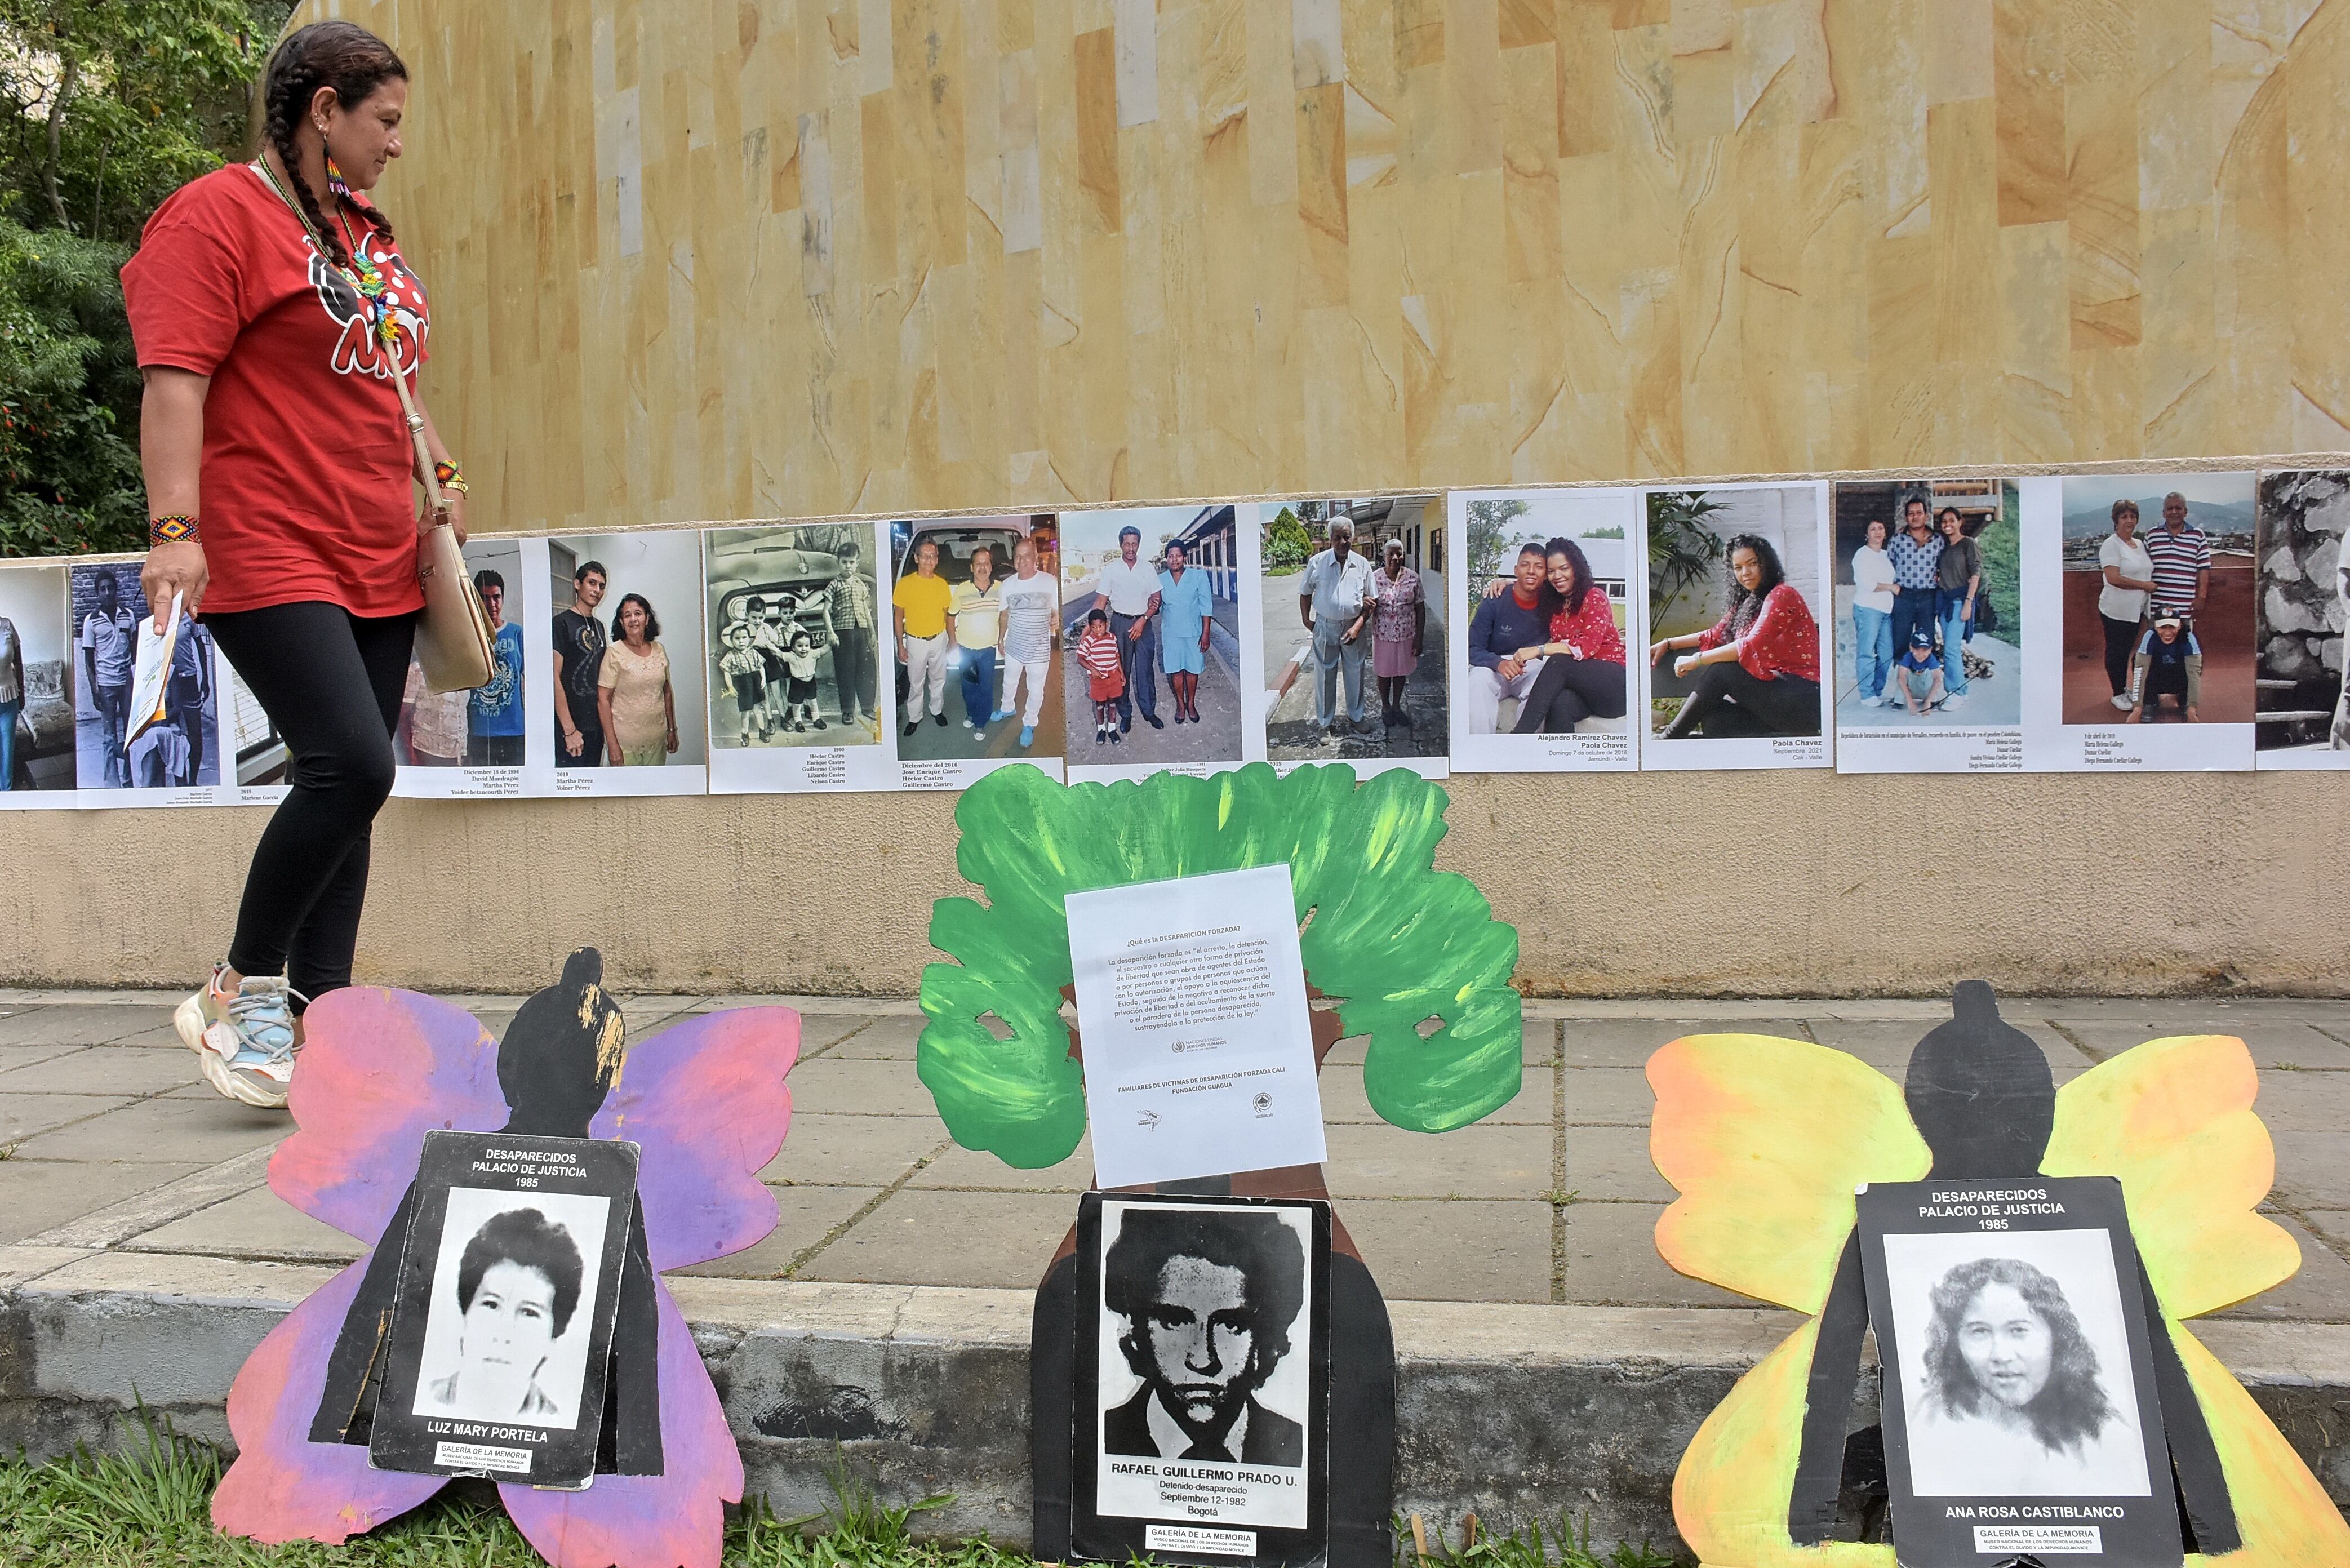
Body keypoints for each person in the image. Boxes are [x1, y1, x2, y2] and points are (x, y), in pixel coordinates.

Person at [130, 22, 464, 1107]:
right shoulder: (216, 215)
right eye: (386, 121)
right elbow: (175, 379)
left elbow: (385, 375)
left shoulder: (364, 231)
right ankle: (239, 986)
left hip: (375, 537)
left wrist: (436, 468)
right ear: (324, 109)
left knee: (357, 787)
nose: (396, 144)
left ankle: (323, 1018)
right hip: (268, 534)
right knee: (350, 767)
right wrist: (175, 534)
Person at [1906, 1256, 2140, 1496]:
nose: (2001, 1355)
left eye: (2018, 1330)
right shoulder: (1928, 1427)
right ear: (1955, 1343)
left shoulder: (2103, 1429)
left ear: (2055, 1337)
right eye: (1980, 1332)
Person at [1101, 1205, 1307, 1466]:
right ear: (1134, 1332)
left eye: (1231, 1325)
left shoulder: (1300, 1448)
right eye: (1175, 1321)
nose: (1202, 1360)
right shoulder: (1098, 1439)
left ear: (1266, 1338)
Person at [423, 1206, 585, 1424]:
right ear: (465, 1315)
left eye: (529, 1312)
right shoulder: (421, 1401)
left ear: (553, 1339)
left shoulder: (560, 1428)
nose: (503, 1333)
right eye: (491, 1305)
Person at [1651, 534, 1822, 739]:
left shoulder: (1782, 594)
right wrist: (1668, 643)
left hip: (1803, 700)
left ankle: (1668, 738)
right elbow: (1713, 635)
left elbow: (1750, 645)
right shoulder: (1747, 604)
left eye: (1753, 564)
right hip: (1773, 702)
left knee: (1725, 670)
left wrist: (1696, 660)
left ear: (1766, 564)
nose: (1745, 573)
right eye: (1738, 568)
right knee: (1715, 719)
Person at [1506, 538, 1626, 734]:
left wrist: (1539, 651)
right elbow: (1525, 588)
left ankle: (1519, 737)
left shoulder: (1595, 597)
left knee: (1559, 661)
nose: (1557, 576)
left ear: (1576, 568)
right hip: (1585, 693)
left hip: (1614, 686)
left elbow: (1587, 646)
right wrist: (1502, 583)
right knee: (1559, 705)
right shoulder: (1556, 606)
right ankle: (1559, 761)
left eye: (1564, 568)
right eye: (1552, 571)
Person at [1463, 545, 1552, 734]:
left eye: (1539, 566)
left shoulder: (1551, 602)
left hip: (1530, 666)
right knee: (1476, 684)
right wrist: (1498, 663)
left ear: (1546, 574)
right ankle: (1481, 752)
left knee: (1545, 687)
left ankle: (1525, 751)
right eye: (1525, 565)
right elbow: (1472, 647)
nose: (1531, 571)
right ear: (1516, 570)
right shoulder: (1495, 600)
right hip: (1493, 666)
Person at [1298, 518, 1374, 736]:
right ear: (1330, 539)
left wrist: (1358, 626)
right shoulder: (1317, 562)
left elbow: (1371, 601)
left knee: (1356, 672)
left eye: (1347, 537)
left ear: (1354, 537)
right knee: (1324, 674)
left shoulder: (1362, 564)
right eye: (1338, 537)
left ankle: (1356, 717)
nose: (1343, 541)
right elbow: (1305, 594)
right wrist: (1307, 621)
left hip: (1354, 627)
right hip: (1325, 626)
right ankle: (1324, 724)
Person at [1091, 525, 1163, 731]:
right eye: (1127, 544)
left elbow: (1156, 599)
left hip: (1144, 624)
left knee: (1145, 670)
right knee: (1120, 671)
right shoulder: (1111, 569)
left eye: (1135, 543)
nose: (1131, 548)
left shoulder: (1147, 568)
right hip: (1120, 624)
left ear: (1139, 544)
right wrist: (1089, 631)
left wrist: (1143, 620)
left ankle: (1149, 712)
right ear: (1121, 545)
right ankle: (1125, 714)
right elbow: (1101, 601)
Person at [596, 592, 677, 764]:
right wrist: (612, 745)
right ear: (621, 622)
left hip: (657, 741)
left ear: (647, 619)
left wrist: (672, 730)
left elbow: (667, 691)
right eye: (627, 615)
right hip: (625, 746)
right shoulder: (614, 652)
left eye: (638, 614)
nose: (633, 619)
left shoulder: (659, 649)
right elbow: (603, 700)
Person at [994, 536, 1057, 748]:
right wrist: (1000, 639)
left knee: (1036, 690)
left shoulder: (1050, 582)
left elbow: (1058, 613)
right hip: (1013, 646)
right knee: (1009, 682)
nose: (1022, 561)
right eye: (1017, 556)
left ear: (1036, 557)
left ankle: (1030, 723)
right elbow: (1004, 615)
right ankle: (1007, 708)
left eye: (1027, 556)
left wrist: (1057, 619)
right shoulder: (1008, 585)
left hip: (1039, 650)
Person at [2096, 500, 2157, 712]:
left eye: (2132, 517)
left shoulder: (2139, 545)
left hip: (2135, 611)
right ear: (2116, 521)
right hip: (2116, 610)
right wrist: (2145, 586)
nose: (2129, 521)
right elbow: (2113, 578)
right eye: (2124, 517)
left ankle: (2123, 687)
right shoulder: (2111, 545)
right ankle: (2117, 693)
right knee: (2117, 652)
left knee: (2128, 649)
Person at [78, 572, 137, 785]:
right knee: (109, 736)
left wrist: (136, 680)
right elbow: (88, 659)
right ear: (97, 593)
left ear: (116, 590)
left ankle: (129, 778)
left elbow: (134, 649)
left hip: (127, 684)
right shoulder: (91, 621)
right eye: (102, 589)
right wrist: (95, 691)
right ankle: (112, 783)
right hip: (105, 685)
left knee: (131, 732)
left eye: (110, 588)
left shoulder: (128, 615)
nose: (107, 593)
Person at [551, 559, 607, 767]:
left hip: (596, 727)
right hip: (572, 729)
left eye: (601, 586)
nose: (597, 590)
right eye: (592, 583)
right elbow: (554, 677)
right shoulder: (561, 623)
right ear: (577, 584)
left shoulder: (600, 627)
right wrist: (569, 730)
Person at [894, 539, 953, 735]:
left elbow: (946, 614)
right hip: (915, 642)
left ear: (937, 560)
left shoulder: (942, 585)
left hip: (938, 639)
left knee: (938, 679)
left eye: (933, 556)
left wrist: (946, 639)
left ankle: (937, 710)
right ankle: (914, 717)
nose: (929, 560)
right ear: (916, 558)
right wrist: (901, 646)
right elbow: (898, 615)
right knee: (916, 682)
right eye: (924, 556)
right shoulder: (905, 584)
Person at [467, 571, 526, 765]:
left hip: (514, 729)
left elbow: (532, 678)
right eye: (485, 597)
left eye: (496, 597)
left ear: (503, 598)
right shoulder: (470, 635)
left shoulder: (516, 633)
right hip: (479, 730)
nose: (491, 604)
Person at [1156, 539, 1216, 726]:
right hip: (1171, 633)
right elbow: (1157, 606)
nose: (1174, 560)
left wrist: (1206, 634)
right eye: (1171, 556)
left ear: (1185, 557)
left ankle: (1191, 704)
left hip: (1193, 632)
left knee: (1192, 669)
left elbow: (1206, 606)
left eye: (1178, 556)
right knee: (1176, 670)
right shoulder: (1160, 580)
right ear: (1167, 559)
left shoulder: (1198, 577)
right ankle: (1180, 705)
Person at [949, 546, 1004, 740]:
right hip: (965, 649)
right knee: (968, 686)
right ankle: (972, 713)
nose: (982, 567)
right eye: (978, 564)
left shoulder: (1000, 588)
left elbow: (1005, 614)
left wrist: (1000, 639)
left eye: (986, 563)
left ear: (991, 567)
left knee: (986, 688)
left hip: (988, 649)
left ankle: (981, 723)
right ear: (972, 567)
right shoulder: (962, 590)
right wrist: (953, 643)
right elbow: (950, 617)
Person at [1370, 539, 1424, 730]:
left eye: (1399, 553)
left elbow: (1420, 608)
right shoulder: (1374, 578)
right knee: (1384, 673)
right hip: (1383, 634)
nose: (1395, 557)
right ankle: (1385, 707)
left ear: (1404, 555)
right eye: (1391, 554)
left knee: (1401, 672)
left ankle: (1396, 706)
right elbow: (1366, 604)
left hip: (1406, 634)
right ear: (1384, 556)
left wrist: (1419, 638)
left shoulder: (1413, 577)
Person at [1933, 507, 1981, 709]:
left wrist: (1969, 603)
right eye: (1944, 521)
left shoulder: (1968, 544)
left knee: (1952, 649)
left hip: (1960, 602)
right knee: (1950, 648)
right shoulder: (1944, 548)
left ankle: (1956, 694)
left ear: (1960, 522)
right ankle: (1961, 691)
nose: (1947, 524)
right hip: (1945, 603)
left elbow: (1976, 574)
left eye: (1952, 520)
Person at [826, 542, 877, 729]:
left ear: (857, 563)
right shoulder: (834, 585)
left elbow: (866, 610)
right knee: (845, 672)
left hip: (862, 631)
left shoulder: (860, 585)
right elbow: (826, 611)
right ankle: (847, 711)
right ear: (839, 563)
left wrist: (872, 634)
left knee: (867, 669)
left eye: (852, 562)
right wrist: (831, 632)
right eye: (844, 562)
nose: (848, 566)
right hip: (843, 632)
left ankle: (867, 707)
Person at [2141, 490, 2210, 628]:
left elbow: (2204, 569)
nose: (2174, 512)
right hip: (2156, 609)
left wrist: (2202, 597)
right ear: (2164, 513)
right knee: (2155, 648)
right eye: (2170, 509)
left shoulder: (2197, 536)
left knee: (2183, 648)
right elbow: (2142, 567)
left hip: (2184, 609)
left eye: (2178, 508)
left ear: (2185, 512)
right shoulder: (2152, 535)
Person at [1886, 496, 1943, 659]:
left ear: (1926, 516)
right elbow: (1888, 566)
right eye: (1911, 513)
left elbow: (1944, 564)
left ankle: (1922, 678)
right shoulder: (1897, 540)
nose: (1915, 517)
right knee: (1900, 637)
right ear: (1906, 517)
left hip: (1928, 597)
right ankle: (1901, 676)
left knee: (1926, 639)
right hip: (1904, 596)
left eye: (1919, 513)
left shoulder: (1938, 540)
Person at [1850, 518, 1896, 706]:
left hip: (1886, 610)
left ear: (1885, 533)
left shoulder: (1887, 555)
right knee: (1866, 654)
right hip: (1867, 609)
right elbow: (1866, 584)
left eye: (1881, 528)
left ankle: (1876, 691)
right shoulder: (1862, 555)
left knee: (1887, 655)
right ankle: (1867, 695)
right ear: (1866, 535)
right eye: (1873, 529)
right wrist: (1891, 587)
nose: (1877, 532)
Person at [2129, 614, 2201, 723]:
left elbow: (2194, 675)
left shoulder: (2189, 638)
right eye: (2163, 627)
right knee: (2137, 660)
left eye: (2172, 627)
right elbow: (2140, 671)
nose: (2167, 633)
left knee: (2195, 665)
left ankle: (2185, 701)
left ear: (2180, 626)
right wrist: (2137, 709)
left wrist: (2192, 708)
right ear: (2156, 627)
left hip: (2179, 676)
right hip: (2157, 677)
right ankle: (2149, 701)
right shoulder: (2150, 636)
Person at [399, 659, 467, 766]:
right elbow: (403, 716)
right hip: (426, 753)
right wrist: (411, 756)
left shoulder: (464, 671)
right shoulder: (418, 671)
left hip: (458, 755)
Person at [1077, 608, 1126, 746]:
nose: (1098, 630)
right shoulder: (1088, 641)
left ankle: (1112, 729)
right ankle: (1101, 729)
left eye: (1101, 626)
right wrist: (1093, 669)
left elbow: (1116, 656)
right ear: (1090, 628)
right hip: (1098, 681)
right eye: (1094, 627)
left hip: (1113, 677)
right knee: (1100, 705)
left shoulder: (1112, 638)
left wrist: (1121, 673)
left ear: (1106, 623)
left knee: (1112, 703)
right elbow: (1080, 659)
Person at [718, 621, 767, 745]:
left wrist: (763, 679)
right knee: (745, 711)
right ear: (732, 640)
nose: (741, 641)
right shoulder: (730, 656)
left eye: (744, 638)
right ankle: (745, 734)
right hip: (743, 684)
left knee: (757, 708)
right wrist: (730, 687)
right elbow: (727, 672)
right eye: (737, 639)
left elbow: (761, 666)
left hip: (755, 681)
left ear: (749, 639)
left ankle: (762, 731)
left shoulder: (753, 652)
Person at [1891, 626, 1947, 715]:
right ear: (1911, 648)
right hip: (1910, 690)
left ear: (1930, 650)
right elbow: (1901, 678)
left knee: (1935, 673)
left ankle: (1932, 701)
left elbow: (1938, 680)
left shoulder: (1931, 659)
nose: (1920, 654)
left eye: (1925, 650)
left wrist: (1928, 701)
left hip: (1925, 691)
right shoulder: (1908, 657)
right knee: (1900, 670)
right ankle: (1899, 701)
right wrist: (1910, 702)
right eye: (1917, 649)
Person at [783, 628, 825, 732]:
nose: (804, 649)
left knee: (813, 702)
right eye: (800, 646)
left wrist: (832, 641)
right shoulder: (791, 657)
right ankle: (798, 722)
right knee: (797, 705)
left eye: (807, 646)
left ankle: (816, 719)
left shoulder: (812, 654)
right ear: (793, 647)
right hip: (797, 683)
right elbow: (778, 654)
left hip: (810, 682)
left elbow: (824, 650)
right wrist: (769, 645)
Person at [0, 611, 21, 789]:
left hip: (9, 699)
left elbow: (19, 663)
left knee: (8, 752)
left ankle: (6, 796)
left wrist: (23, 695)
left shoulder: (7, 625)